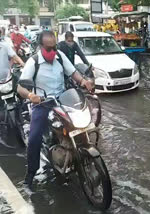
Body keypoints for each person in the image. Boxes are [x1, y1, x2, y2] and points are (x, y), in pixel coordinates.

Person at [17, 31, 93, 189]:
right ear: (40, 46)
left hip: (63, 99)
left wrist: (84, 81)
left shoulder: (60, 56)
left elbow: (73, 73)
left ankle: (79, 152)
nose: (52, 51)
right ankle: (30, 174)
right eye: (48, 48)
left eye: (54, 47)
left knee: (81, 123)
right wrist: (31, 96)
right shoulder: (33, 61)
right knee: (34, 137)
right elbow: (20, 88)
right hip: (43, 103)